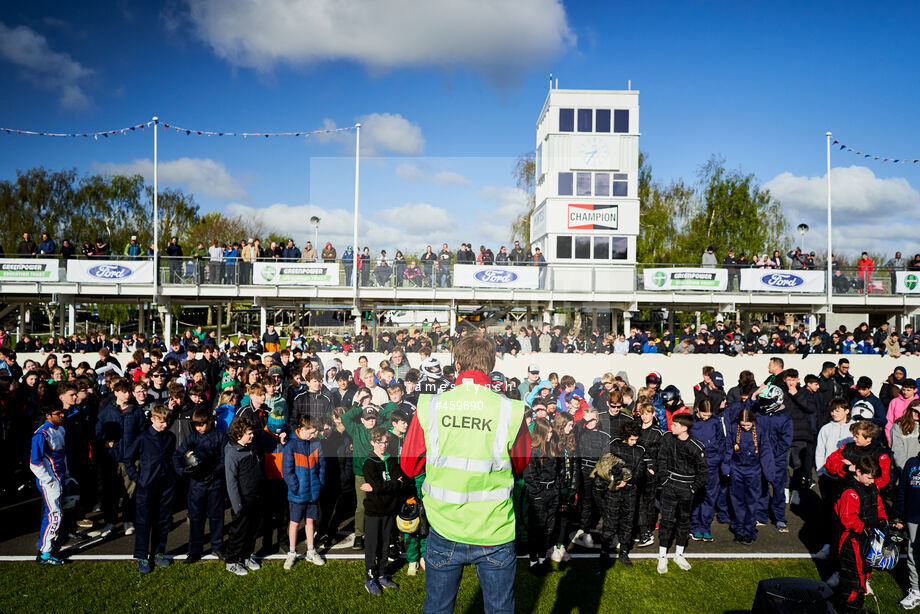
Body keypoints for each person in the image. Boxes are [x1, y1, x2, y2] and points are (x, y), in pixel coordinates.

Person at [401, 332, 529, 614]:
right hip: (495, 530)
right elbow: (519, 465)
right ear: (492, 364)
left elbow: (409, 465)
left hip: (445, 526)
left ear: (456, 364)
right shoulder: (510, 410)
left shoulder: (431, 405)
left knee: (437, 608)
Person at [122, 404, 177, 574]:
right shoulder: (143, 438)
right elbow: (127, 459)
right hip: (146, 487)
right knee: (143, 521)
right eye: (161, 422)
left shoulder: (170, 437)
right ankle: (142, 556)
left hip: (166, 486)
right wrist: (137, 479)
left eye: (167, 421)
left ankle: (159, 552)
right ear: (153, 419)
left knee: (163, 520)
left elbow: (172, 458)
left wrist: (173, 477)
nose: (165, 425)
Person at [173, 407, 226, 564]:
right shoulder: (192, 438)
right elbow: (177, 455)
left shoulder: (220, 436)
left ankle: (217, 547)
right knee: (196, 518)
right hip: (196, 485)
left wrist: (215, 473)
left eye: (203, 424)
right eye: (197, 425)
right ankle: (194, 551)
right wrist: (183, 472)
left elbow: (225, 458)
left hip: (215, 483)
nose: (200, 428)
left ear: (210, 421)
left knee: (216, 517)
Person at [656, 413, 708, 574]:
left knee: (683, 521)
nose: (671, 426)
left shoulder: (696, 446)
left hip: (686, 489)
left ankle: (679, 554)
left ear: (684, 428)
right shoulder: (667, 439)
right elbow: (661, 460)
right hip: (669, 486)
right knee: (666, 521)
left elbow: (704, 472)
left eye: (675, 425)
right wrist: (664, 480)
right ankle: (662, 556)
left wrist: (693, 488)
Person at [834, 456, 887, 612]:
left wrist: (883, 520)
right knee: (854, 578)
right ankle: (849, 608)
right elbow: (848, 519)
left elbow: (879, 506)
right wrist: (865, 528)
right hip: (852, 540)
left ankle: (856, 606)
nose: (872, 481)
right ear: (858, 472)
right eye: (869, 477)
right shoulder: (850, 491)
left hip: (866, 538)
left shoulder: (872, 487)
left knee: (864, 572)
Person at [360, 427, 407, 595]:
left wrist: (384, 486)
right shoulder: (369, 462)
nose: (383, 446)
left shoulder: (392, 460)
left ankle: (381, 574)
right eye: (380, 442)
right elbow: (379, 487)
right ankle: (370, 578)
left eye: (386, 442)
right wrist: (392, 484)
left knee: (386, 544)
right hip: (374, 510)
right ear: (373, 442)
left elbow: (398, 482)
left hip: (390, 509)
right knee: (373, 546)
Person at [282, 415, 326, 570]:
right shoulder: (291, 445)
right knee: (294, 523)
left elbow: (322, 466)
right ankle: (292, 552)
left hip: (313, 492)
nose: (314, 435)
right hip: (297, 494)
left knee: (310, 522)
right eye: (312, 432)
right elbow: (287, 471)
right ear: (303, 429)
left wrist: (319, 484)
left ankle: (311, 551)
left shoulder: (316, 443)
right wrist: (295, 488)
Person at [724, 408, 772, 544]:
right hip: (737, 471)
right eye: (743, 425)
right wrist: (726, 467)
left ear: (753, 422)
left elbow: (766, 452)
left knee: (752, 502)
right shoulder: (733, 429)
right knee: (737, 501)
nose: (745, 427)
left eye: (748, 425)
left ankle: (749, 530)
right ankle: (739, 530)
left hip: (754, 472)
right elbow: (728, 449)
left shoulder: (760, 430)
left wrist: (768, 473)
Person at [29, 404, 69, 565]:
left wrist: (67, 474)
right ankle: (45, 553)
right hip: (50, 482)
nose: (62, 415)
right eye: (58, 413)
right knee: (55, 516)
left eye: (63, 412)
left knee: (54, 514)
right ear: (48, 415)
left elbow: (62, 456)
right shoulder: (41, 434)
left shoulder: (60, 429)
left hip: (59, 478)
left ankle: (48, 546)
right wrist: (49, 481)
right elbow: (34, 463)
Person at [224, 417, 263, 576]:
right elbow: (231, 482)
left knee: (252, 531)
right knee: (239, 533)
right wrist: (237, 505)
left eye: (252, 432)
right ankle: (232, 561)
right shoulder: (232, 453)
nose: (252, 436)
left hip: (255, 497)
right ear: (239, 434)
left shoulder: (251, 446)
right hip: (242, 501)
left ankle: (246, 556)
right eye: (249, 433)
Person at [689, 399, 725, 542]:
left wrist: (718, 458)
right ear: (697, 411)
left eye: (709, 415)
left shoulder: (716, 421)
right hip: (696, 465)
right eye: (704, 415)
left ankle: (705, 526)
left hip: (712, 464)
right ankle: (694, 526)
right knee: (696, 495)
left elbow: (722, 441)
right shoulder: (691, 422)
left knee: (710, 496)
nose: (706, 418)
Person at [894, 444, 920, 609]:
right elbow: (902, 490)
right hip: (912, 517)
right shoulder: (911, 463)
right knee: (912, 552)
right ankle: (916, 590)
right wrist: (899, 514)